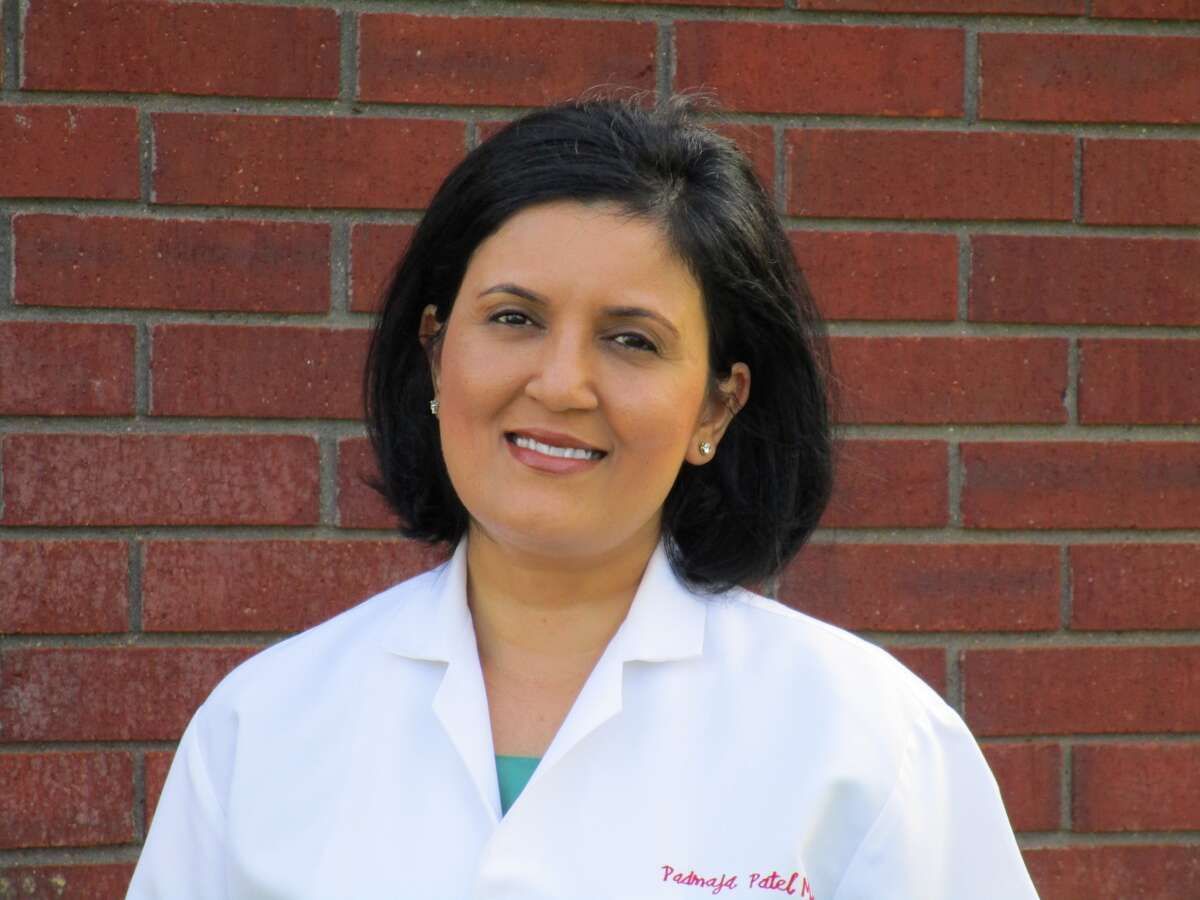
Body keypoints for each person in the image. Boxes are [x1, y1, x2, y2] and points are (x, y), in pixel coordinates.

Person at [126, 93, 1039, 899]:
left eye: (632, 340)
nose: (562, 384)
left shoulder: (872, 744)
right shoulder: (264, 727)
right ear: (438, 351)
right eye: (515, 319)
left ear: (717, 404)